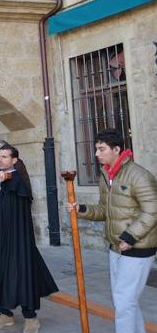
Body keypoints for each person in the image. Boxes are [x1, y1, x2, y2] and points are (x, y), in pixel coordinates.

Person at [67, 129, 157, 333]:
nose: (97, 154)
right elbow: (103, 210)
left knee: (124, 301)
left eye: (101, 149)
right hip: (116, 247)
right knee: (126, 301)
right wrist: (81, 209)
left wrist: (130, 237)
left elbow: (152, 210)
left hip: (138, 247)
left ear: (117, 149)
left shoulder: (139, 175)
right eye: (96, 149)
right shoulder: (106, 175)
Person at [0, 144, 58, 333]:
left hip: (17, 240)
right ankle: (4, 313)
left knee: (22, 275)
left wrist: (1, 180)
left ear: (14, 160)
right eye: (0, 156)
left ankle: (31, 318)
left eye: (5, 157)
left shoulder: (16, 180)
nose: (1, 159)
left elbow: (12, 186)